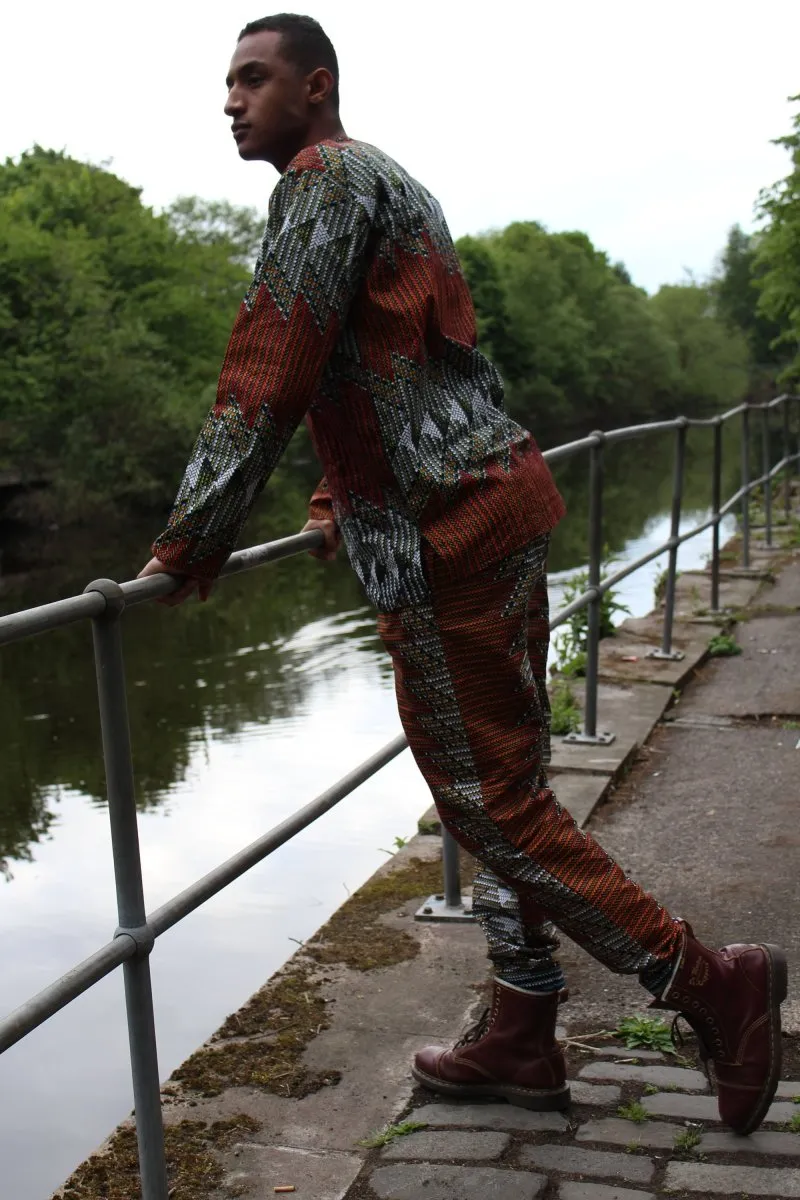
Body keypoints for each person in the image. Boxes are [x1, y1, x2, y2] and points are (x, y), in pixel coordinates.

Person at [138, 13, 786, 1133]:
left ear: (314, 86)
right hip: (496, 504)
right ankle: (521, 1032)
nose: (230, 100)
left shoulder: (320, 182)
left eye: (253, 78)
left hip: (444, 535)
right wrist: (335, 489)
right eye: (226, 82)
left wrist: (190, 541)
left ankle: (705, 982)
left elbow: (270, 360)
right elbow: (413, 362)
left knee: (492, 805)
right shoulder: (389, 182)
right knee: (494, 791)